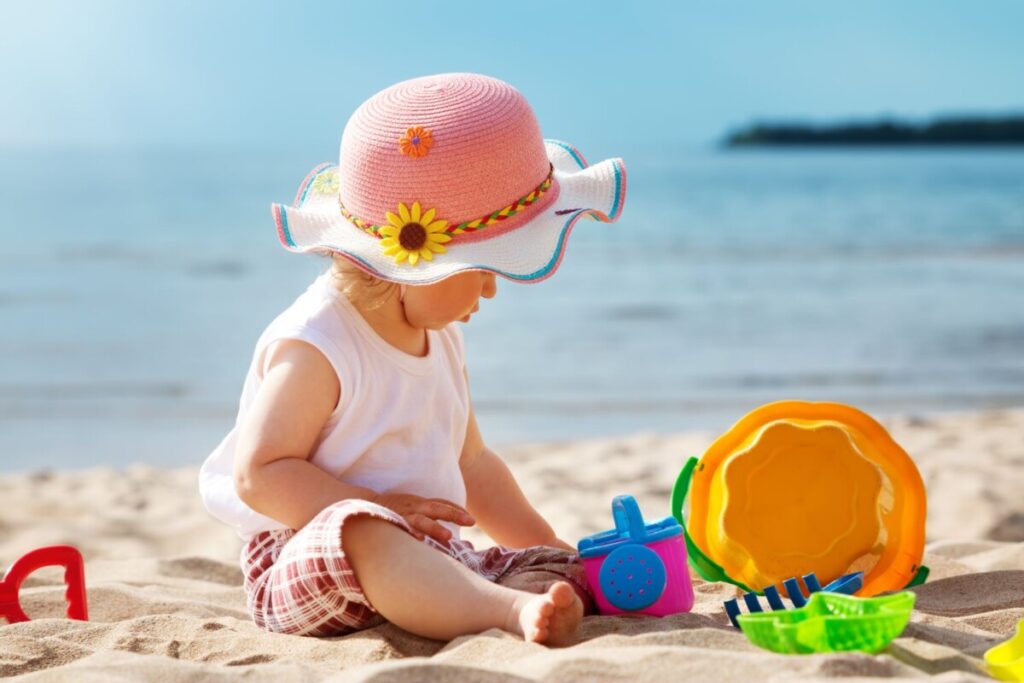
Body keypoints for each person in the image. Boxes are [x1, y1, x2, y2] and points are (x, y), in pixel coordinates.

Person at [199, 72, 627, 645]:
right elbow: (260, 474)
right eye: (482, 271)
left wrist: (551, 548)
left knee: (559, 568)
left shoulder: (442, 331)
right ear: (408, 265)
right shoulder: (318, 344)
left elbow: (472, 465)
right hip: (310, 554)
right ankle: (506, 613)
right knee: (365, 534)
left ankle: (495, 596)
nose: (492, 292)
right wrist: (375, 507)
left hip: (430, 555)